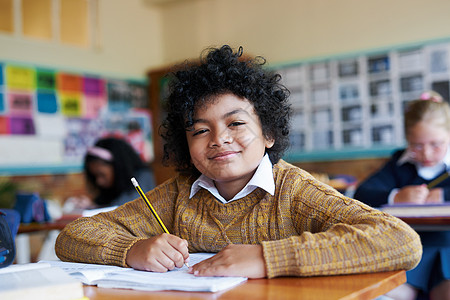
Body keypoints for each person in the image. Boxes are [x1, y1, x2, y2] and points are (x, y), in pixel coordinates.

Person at [55, 45, 421, 280]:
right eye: (200, 130)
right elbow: (74, 235)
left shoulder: (294, 192)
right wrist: (131, 250)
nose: (219, 140)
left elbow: (401, 241)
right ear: (185, 144)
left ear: (269, 133)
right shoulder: (176, 196)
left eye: (236, 123)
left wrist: (267, 257)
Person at [354, 91, 450, 300]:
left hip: (448, 248)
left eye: (436, 144)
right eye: (417, 145)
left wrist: (444, 194)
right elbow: (362, 193)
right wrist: (396, 196)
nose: (426, 154)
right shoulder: (398, 164)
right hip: (406, 251)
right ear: (407, 139)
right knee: (373, 292)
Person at [65, 137, 155, 211]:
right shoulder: (111, 189)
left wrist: (93, 207)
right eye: (95, 176)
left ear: (118, 167)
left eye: (102, 174)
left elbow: (125, 209)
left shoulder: (143, 176)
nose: (99, 181)